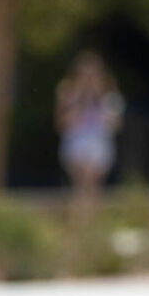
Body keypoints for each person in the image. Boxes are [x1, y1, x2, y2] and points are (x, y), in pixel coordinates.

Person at [54, 53, 123, 224]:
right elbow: (61, 124)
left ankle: (87, 220)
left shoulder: (109, 95)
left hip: (99, 143)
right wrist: (78, 100)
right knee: (84, 182)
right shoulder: (68, 92)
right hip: (77, 143)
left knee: (92, 185)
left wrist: (101, 102)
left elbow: (115, 125)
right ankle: (82, 220)